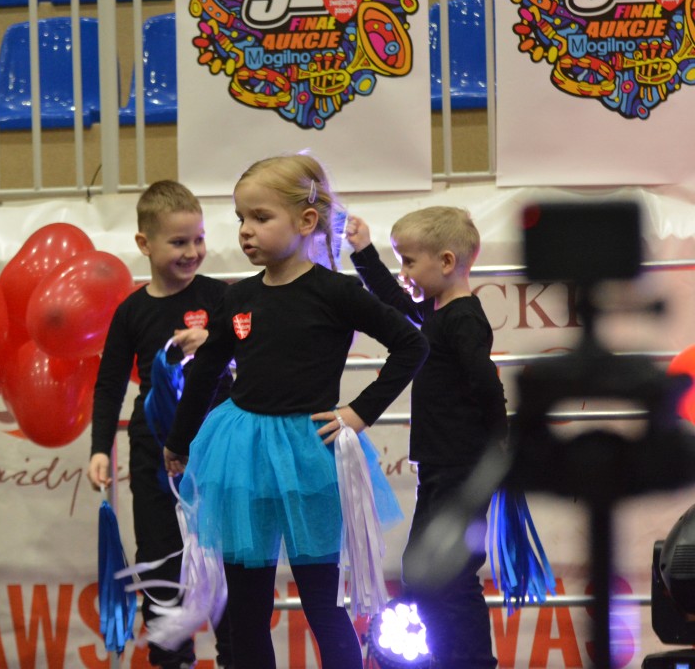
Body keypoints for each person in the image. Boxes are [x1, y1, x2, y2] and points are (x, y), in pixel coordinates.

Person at [163, 154, 428, 669]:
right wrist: (178, 440)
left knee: (322, 603)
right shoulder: (238, 298)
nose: (246, 230)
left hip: (309, 454)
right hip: (243, 454)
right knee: (247, 610)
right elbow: (207, 370)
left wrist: (360, 412)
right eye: (241, 218)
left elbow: (411, 344)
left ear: (306, 221)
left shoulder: (336, 291)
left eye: (260, 217)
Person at [346, 207, 507, 669]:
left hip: (462, 467)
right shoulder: (436, 313)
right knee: (424, 574)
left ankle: (474, 662)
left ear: (447, 261)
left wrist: (500, 442)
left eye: (410, 262)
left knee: (452, 575)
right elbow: (392, 302)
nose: (404, 272)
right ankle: (444, 657)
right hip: (441, 466)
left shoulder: (464, 319)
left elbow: (486, 381)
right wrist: (364, 252)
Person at [87, 179, 234, 669]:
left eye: (199, 239)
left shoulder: (221, 299)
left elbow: (257, 360)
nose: (193, 251)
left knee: (228, 561)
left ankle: (237, 655)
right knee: (161, 561)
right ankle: (172, 660)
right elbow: (110, 384)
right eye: (178, 242)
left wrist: (215, 344)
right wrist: (100, 447)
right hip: (156, 454)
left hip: (216, 446)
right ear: (144, 244)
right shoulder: (132, 311)